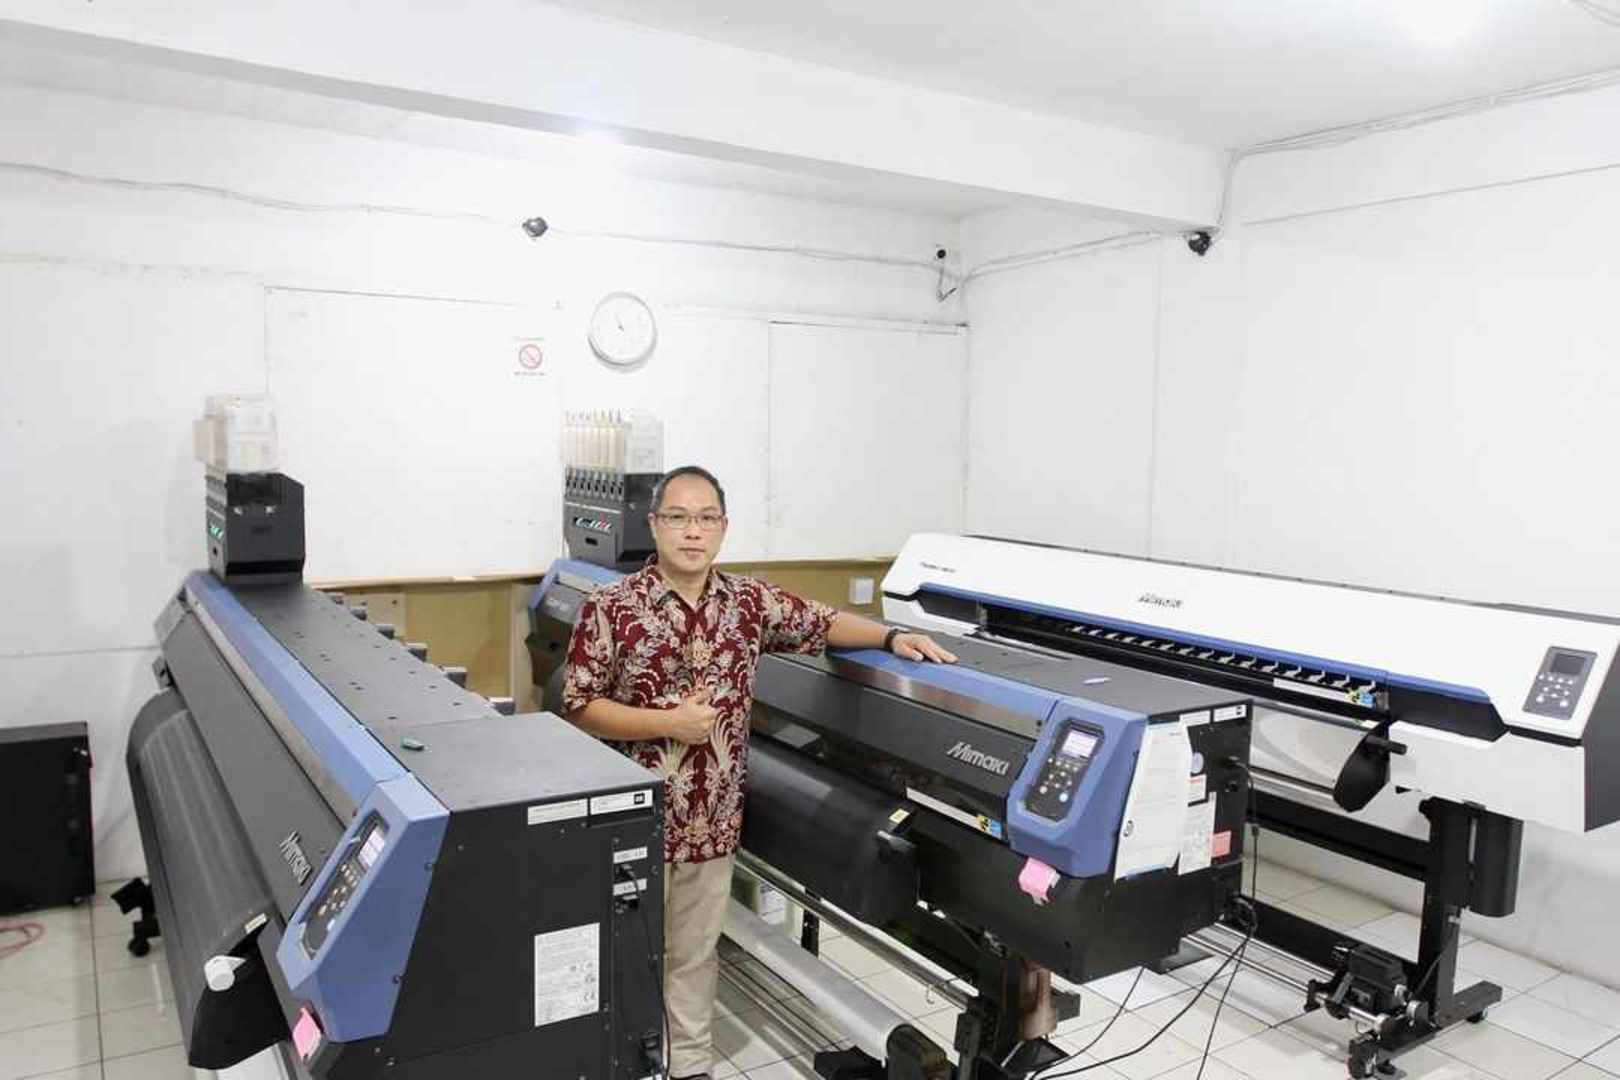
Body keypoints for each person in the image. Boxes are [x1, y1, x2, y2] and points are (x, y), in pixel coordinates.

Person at [562, 464, 955, 1080]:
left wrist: (890, 636)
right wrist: (667, 723)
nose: (693, 531)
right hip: (632, 824)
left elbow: (822, 622)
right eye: (678, 518)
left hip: (712, 824)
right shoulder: (611, 608)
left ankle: (689, 1066)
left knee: (692, 957)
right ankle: (619, 1064)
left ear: (723, 527)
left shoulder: (748, 604)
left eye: (706, 518)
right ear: (654, 525)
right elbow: (580, 706)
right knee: (624, 957)